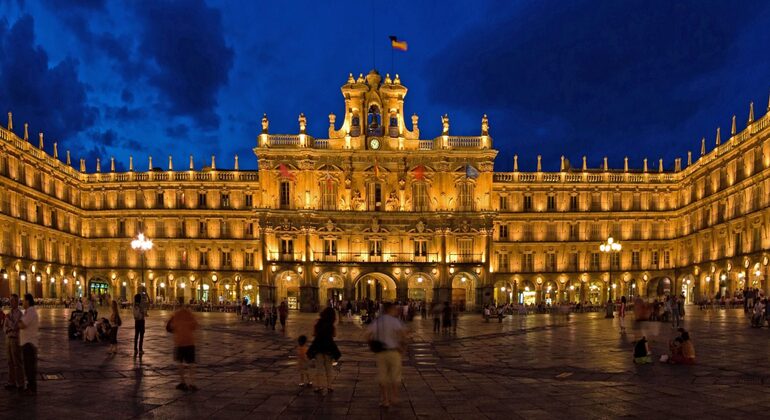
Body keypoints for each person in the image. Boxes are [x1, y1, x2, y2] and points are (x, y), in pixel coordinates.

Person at [366, 302, 406, 409]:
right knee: (395, 375)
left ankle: (385, 400)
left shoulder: (378, 321)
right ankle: (394, 396)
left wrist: (371, 346)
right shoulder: (395, 321)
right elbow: (402, 335)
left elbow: (368, 335)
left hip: (381, 352)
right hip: (394, 352)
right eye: (394, 309)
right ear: (390, 309)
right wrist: (402, 346)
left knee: (382, 376)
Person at [167, 305, 199, 391]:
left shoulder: (175, 315)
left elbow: (170, 327)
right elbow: (195, 326)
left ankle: (183, 382)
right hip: (190, 341)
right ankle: (192, 383)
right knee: (191, 363)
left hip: (179, 342)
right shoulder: (190, 314)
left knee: (179, 363)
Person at [308, 307, 339, 396]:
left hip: (319, 347)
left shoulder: (318, 323)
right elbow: (334, 335)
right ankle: (330, 386)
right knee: (329, 368)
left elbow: (313, 334)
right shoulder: (331, 324)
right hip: (328, 348)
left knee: (319, 368)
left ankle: (319, 386)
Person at [18, 294, 39, 395]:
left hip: (29, 343)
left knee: (29, 367)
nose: (22, 302)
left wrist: (16, 322)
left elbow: (22, 325)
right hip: (27, 343)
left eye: (23, 300)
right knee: (28, 367)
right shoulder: (28, 311)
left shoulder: (30, 311)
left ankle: (32, 389)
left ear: (28, 301)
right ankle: (30, 387)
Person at [3, 294, 24, 391]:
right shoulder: (9, 313)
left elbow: (16, 326)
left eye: (13, 301)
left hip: (16, 339)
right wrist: (9, 325)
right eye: (10, 301)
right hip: (8, 338)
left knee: (17, 362)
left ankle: (20, 383)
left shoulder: (20, 314)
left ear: (17, 302)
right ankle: (11, 381)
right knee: (9, 362)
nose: (11, 302)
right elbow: (4, 327)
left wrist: (9, 321)